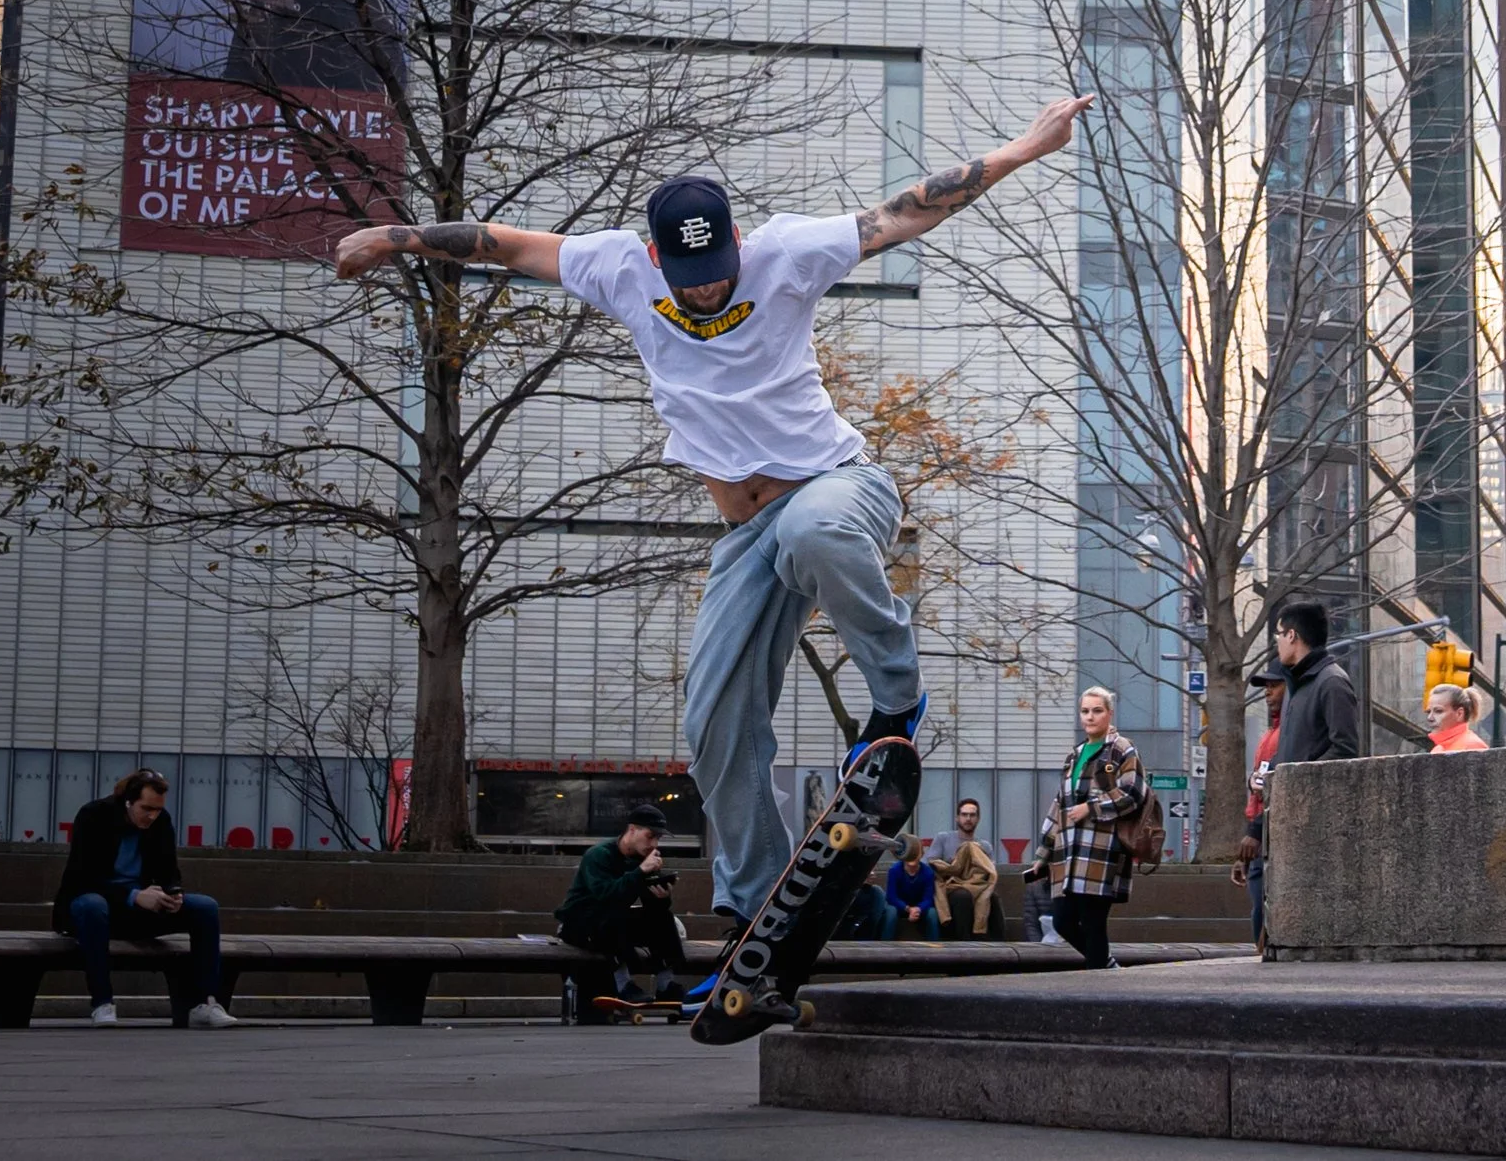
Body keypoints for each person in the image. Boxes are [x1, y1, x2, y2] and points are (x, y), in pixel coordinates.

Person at [335, 93, 1093, 927]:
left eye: (721, 270)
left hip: (838, 485)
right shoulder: (620, 267)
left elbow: (906, 211)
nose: (710, 291)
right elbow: (508, 245)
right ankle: (760, 901)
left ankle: (896, 697)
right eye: (692, 282)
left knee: (814, 528)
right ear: (657, 263)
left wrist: (1024, 147)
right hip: (745, 539)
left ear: (736, 242)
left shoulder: (784, 251)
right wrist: (397, 236)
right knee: (715, 725)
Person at [51, 769, 235, 1028]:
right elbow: (83, 879)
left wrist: (174, 894)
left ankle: (204, 1003)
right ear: (128, 801)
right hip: (90, 907)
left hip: (139, 910)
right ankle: (102, 1003)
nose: (152, 815)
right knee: (93, 904)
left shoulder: (160, 821)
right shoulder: (94, 815)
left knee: (205, 907)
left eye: (157, 809)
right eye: (146, 808)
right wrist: (133, 895)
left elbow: (169, 871)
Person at [1233, 602, 1360, 901]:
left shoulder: (1332, 682)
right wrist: (1264, 777)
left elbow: (1345, 750)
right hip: (1285, 819)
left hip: (1313, 823)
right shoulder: (1296, 685)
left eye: (1278, 634)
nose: (1276, 641)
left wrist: (1293, 779)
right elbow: (1291, 752)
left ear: (1292, 635)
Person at [1026, 687, 1143, 969]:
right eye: (1085, 711)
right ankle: (1106, 966)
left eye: (1097, 711)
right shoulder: (1074, 755)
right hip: (1068, 854)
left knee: (1093, 923)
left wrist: (1091, 808)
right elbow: (1059, 806)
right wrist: (1042, 855)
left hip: (1101, 851)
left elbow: (1134, 793)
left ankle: (1098, 985)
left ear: (1109, 713)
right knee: (1062, 921)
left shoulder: (1121, 749)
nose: (1090, 717)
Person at [556, 804, 690, 1012]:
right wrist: (639, 872)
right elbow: (605, 896)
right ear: (632, 830)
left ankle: (666, 984)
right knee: (611, 914)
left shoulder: (644, 860)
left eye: (658, 839)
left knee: (662, 917)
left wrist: (662, 896)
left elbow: (650, 905)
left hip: (612, 923)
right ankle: (622, 984)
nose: (653, 844)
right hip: (580, 923)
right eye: (650, 836)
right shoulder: (599, 855)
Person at [1230, 667, 1286, 944]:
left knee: (1264, 921)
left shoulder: (1286, 734)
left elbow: (1271, 793)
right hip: (1259, 838)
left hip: (1270, 837)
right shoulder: (1269, 734)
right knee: (1258, 915)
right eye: (1266, 686)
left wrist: (1253, 832)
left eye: (1275, 686)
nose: (1267, 692)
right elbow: (1257, 795)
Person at [927, 798, 999, 937]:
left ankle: (998, 948)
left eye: (972, 815)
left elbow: (989, 873)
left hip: (977, 886)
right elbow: (930, 863)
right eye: (964, 814)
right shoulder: (943, 838)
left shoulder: (984, 846)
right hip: (950, 886)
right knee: (962, 896)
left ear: (978, 819)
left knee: (993, 897)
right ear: (957, 818)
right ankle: (964, 945)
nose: (968, 819)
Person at [882, 840, 941, 940]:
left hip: (919, 908)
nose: (912, 856)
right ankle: (884, 946)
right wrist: (907, 908)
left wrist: (918, 909)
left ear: (921, 854)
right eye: (909, 852)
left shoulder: (928, 872)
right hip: (899, 906)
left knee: (932, 913)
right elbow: (891, 897)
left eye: (916, 852)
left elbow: (928, 899)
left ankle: (935, 948)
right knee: (890, 912)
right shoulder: (895, 870)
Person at [1424, 684, 1488, 753]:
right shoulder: (1437, 749)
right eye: (1429, 711)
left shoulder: (1473, 746)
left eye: (1438, 711)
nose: (1430, 718)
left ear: (1459, 714)